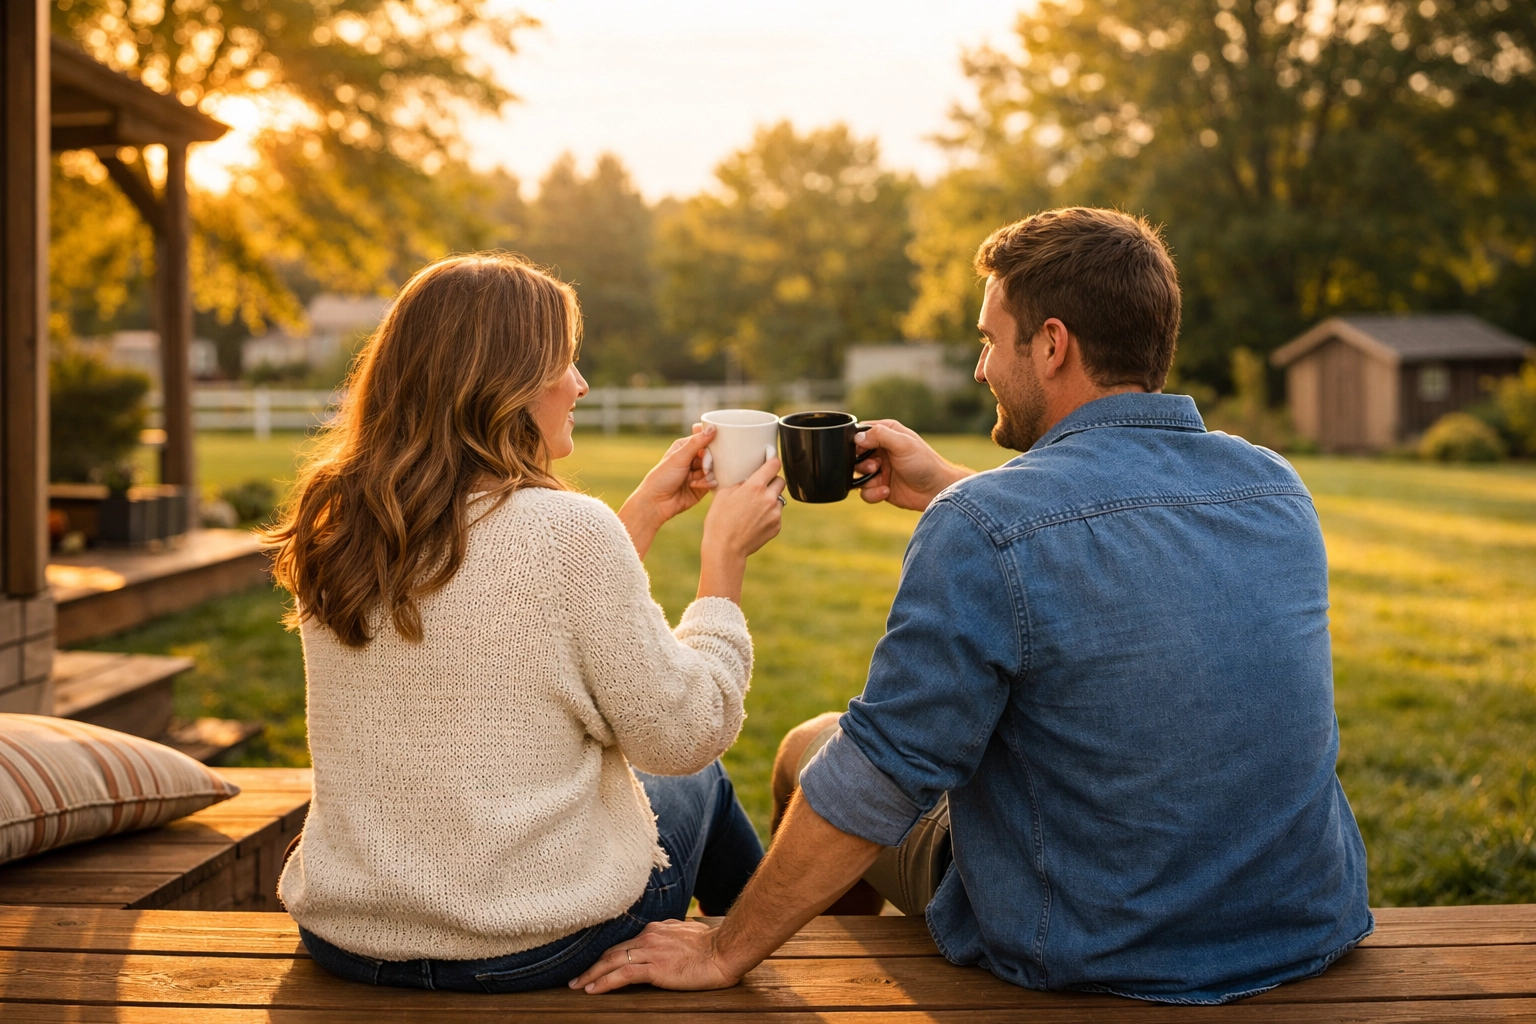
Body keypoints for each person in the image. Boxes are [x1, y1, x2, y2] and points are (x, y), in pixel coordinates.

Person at [573, 207, 1373, 1004]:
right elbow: (1103, 532)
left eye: (991, 340)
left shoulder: (986, 526)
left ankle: (825, 984)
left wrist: (724, 947)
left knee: (807, 753)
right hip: (1297, 924)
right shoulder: (1274, 489)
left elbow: (879, 778)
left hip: (1095, 944)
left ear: (1053, 344)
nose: (982, 369)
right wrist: (953, 487)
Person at [266, 253, 786, 993]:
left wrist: (635, 517)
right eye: (564, 363)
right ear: (503, 382)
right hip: (527, 944)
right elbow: (683, 732)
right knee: (704, 781)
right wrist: (723, 562)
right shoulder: (567, 534)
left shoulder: (342, 521)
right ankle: (750, 956)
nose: (580, 385)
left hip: (351, 937)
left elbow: (500, 616)